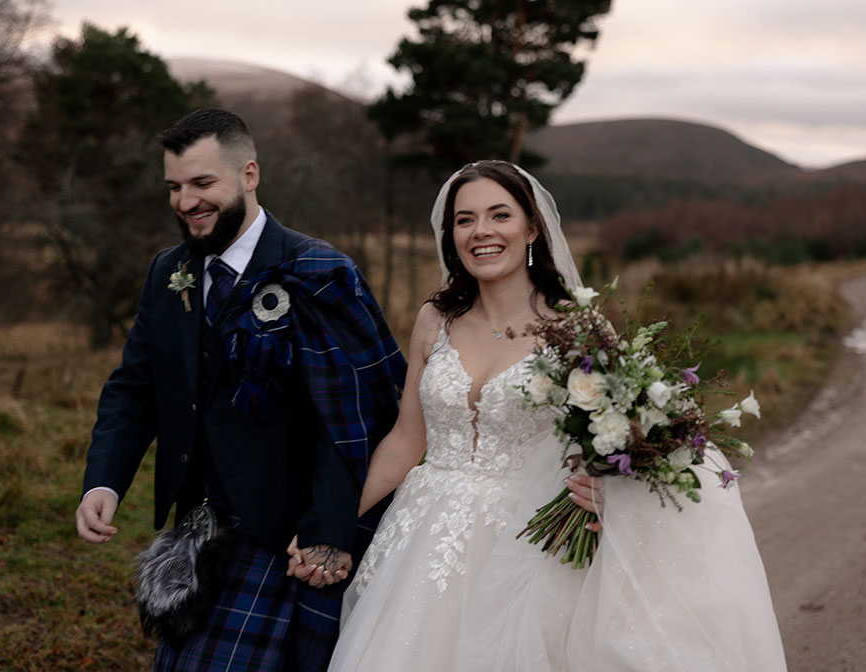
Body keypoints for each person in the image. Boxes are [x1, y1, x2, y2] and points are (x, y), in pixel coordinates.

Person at [293, 161, 787, 671]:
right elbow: (403, 441)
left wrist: (608, 491)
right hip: (425, 540)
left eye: (499, 215)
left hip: (529, 545)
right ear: (451, 236)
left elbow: (629, 437)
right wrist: (328, 524)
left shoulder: (578, 327)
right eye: (465, 220)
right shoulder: (433, 320)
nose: (481, 231)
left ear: (532, 228)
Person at [75, 108, 406, 671]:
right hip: (199, 526)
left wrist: (330, 531)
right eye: (175, 187)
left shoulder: (319, 270)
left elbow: (357, 415)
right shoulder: (168, 272)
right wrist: (104, 479)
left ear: (249, 175)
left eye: (203, 183)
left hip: (289, 533)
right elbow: (135, 387)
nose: (185, 202)